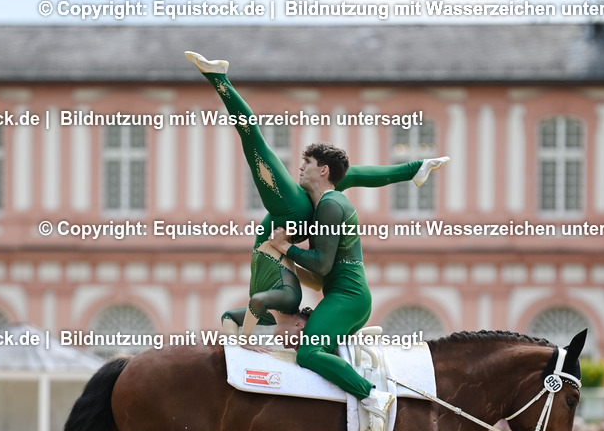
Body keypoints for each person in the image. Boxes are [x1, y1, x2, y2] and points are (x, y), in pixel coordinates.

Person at [184, 51, 448, 335]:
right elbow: (307, 280)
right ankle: (415, 168)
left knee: (256, 143)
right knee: (271, 150)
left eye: (306, 163)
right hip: (294, 219)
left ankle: (219, 77)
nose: (298, 167)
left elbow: (310, 279)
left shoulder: (301, 214)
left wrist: (288, 251)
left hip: (290, 223)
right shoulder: (285, 291)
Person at [268, 143, 394, 431]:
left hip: (347, 299)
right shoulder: (328, 205)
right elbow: (320, 277)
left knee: (308, 353)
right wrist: (287, 264)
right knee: (321, 358)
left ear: (323, 170)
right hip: (348, 297)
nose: (300, 168)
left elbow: (322, 264)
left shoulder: (330, 204)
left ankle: (373, 396)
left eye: (307, 162)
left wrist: (285, 246)